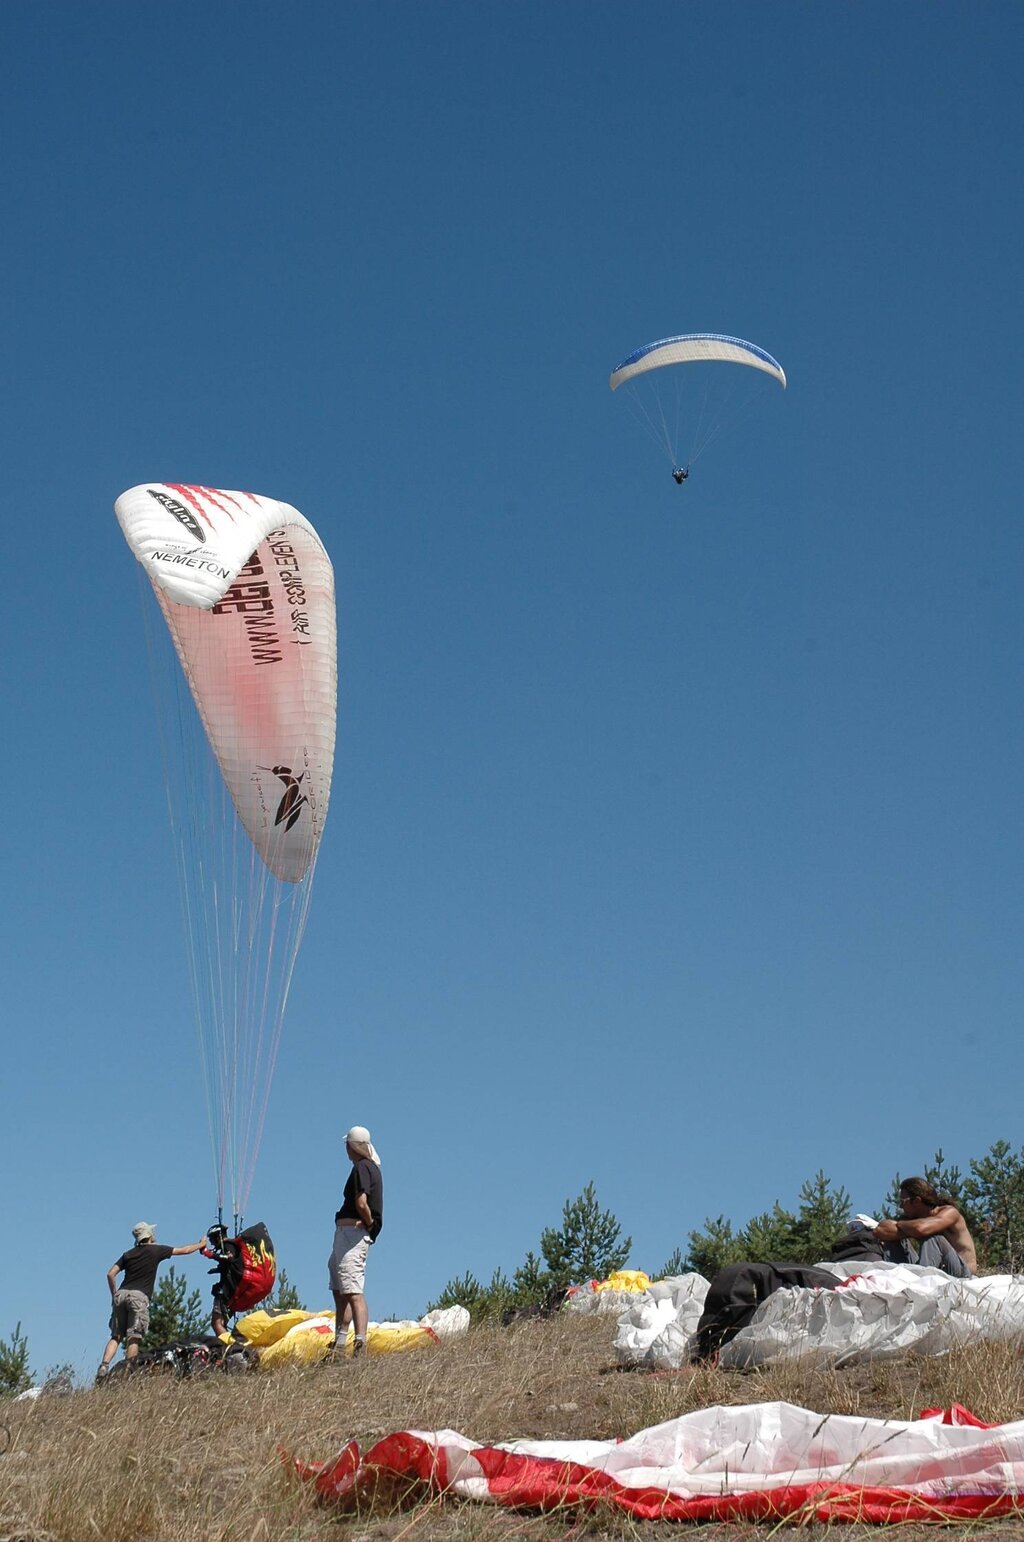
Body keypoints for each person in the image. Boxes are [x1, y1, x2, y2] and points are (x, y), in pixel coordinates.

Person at [96, 1222, 207, 1379]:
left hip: (121, 1295)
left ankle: (104, 1366)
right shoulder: (156, 1250)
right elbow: (185, 1250)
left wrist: (114, 1294)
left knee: (116, 1336)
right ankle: (129, 1372)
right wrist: (201, 1244)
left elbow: (110, 1274)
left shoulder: (128, 1254)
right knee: (134, 1336)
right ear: (149, 1236)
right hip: (138, 1297)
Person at [328, 1125, 383, 1359]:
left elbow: (361, 1202)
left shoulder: (362, 1167)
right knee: (341, 1288)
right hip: (346, 1234)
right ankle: (340, 1343)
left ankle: (360, 1344)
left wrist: (369, 1222)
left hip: (352, 1235)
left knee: (352, 1290)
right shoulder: (368, 1167)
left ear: (352, 1146)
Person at [874, 1177, 977, 1277]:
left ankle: (921, 1281)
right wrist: (905, 1228)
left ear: (917, 1201)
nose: (901, 1206)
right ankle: (896, 1278)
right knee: (892, 1238)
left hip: (962, 1274)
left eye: (903, 1201)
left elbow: (922, 1229)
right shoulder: (911, 1219)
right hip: (932, 1268)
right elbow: (880, 1230)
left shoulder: (950, 1213)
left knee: (934, 1237)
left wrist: (899, 1224)